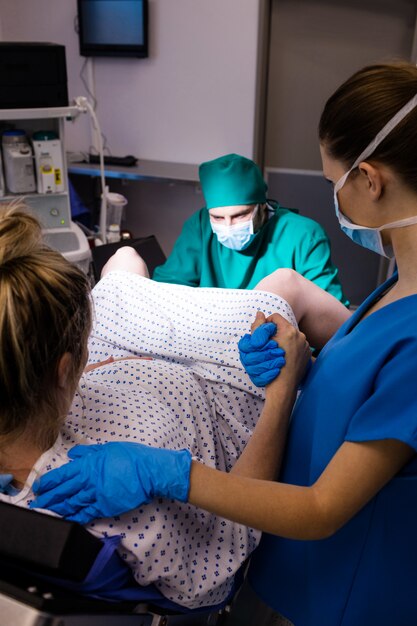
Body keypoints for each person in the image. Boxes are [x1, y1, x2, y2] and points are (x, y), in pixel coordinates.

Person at [34, 61, 417, 626]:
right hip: (280, 568)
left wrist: (167, 472)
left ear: (369, 179)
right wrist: (297, 365)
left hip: (337, 600)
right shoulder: (394, 286)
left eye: (332, 180)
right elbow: (362, 396)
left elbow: (321, 509)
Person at [0, 204, 349, 609]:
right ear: (63, 370)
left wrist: (101, 361)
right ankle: (371, 350)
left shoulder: (37, 413)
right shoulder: (107, 500)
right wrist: (284, 389)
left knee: (124, 261)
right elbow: (230, 534)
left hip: (128, 357)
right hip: (209, 389)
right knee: (285, 288)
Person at [152, 152, 349, 305]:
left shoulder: (304, 235)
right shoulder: (200, 225)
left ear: (262, 206)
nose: (228, 227)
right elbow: (168, 289)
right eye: (218, 217)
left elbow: (328, 312)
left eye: (240, 215)